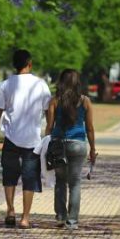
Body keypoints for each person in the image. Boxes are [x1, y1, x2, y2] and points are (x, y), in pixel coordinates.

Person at [0, 49, 52, 229]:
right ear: (29, 64)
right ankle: (25, 218)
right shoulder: (40, 84)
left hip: (11, 138)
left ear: (14, 65)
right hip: (33, 140)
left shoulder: (6, 85)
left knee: (9, 175)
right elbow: (49, 109)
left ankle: (10, 210)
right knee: (30, 178)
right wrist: (49, 128)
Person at [44, 69, 97, 230]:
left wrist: (46, 144)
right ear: (77, 83)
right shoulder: (85, 101)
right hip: (78, 144)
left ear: (61, 82)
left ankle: (61, 217)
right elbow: (90, 128)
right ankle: (72, 222)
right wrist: (93, 149)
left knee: (61, 181)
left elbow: (49, 126)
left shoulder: (54, 101)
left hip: (58, 143)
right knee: (75, 183)